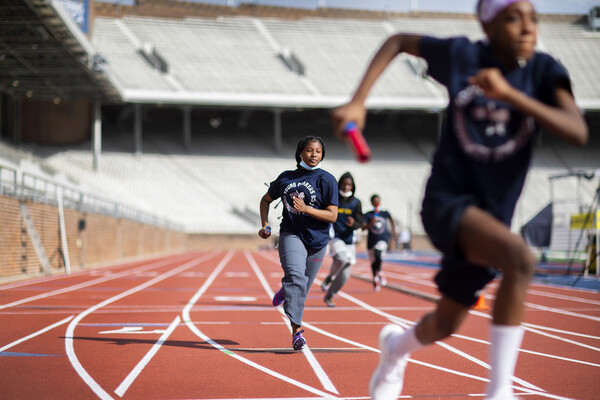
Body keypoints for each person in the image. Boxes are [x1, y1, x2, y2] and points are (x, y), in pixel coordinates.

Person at [330, 1, 588, 399]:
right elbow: (398, 41)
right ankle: (500, 391)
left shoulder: (544, 71)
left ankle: (395, 350)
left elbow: (577, 131)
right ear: (487, 23)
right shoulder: (461, 55)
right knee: (521, 259)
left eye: (533, 18)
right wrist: (358, 100)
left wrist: (510, 95)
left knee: (447, 323)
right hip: (446, 200)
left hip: (492, 216)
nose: (527, 27)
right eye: (513, 17)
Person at [258, 136, 338, 351]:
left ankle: (286, 291)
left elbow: (332, 216)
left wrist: (307, 209)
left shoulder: (327, 179)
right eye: (310, 150)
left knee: (300, 288)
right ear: (300, 153)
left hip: (318, 241)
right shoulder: (286, 177)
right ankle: (297, 331)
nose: (314, 155)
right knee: (295, 277)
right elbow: (265, 200)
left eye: (318, 151)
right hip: (291, 234)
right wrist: (265, 224)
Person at [321, 172, 364, 307]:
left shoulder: (356, 202)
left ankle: (329, 294)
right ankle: (330, 278)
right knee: (342, 259)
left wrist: (354, 224)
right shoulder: (334, 199)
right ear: (340, 184)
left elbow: (360, 221)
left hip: (349, 240)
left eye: (349, 184)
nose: (346, 187)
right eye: (344, 184)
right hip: (335, 237)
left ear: (353, 186)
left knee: (345, 273)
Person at [363, 194, 397, 291]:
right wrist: (371, 223)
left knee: (379, 254)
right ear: (371, 202)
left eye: (377, 201)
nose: (376, 203)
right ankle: (375, 277)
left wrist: (394, 230)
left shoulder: (384, 213)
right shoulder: (368, 214)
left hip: (382, 239)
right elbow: (363, 228)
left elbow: (391, 219)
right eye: (374, 201)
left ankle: (380, 272)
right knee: (373, 261)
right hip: (371, 241)